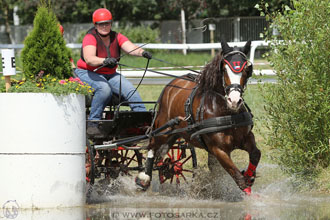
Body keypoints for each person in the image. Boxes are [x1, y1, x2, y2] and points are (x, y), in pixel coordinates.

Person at [74, 8, 152, 136]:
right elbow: (89, 59)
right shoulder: (90, 37)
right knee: (104, 89)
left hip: (110, 74)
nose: (104, 26)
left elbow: (130, 48)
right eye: (101, 24)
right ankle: (93, 123)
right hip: (87, 72)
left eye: (107, 23)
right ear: (95, 25)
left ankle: (142, 122)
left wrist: (142, 53)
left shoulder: (117, 36)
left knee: (131, 91)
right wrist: (104, 61)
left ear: (111, 23)